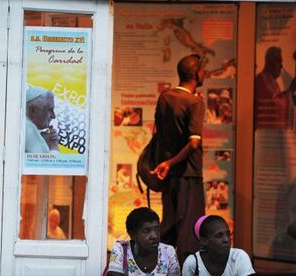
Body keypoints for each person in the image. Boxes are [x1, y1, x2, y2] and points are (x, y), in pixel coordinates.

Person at [150, 54, 206, 265]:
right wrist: (172, 163)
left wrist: (166, 163)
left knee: (169, 228)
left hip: (169, 177)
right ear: (197, 73)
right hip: (188, 174)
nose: (205, 73)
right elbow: (193, 143)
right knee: (190, 233)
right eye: (203, 69)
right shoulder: (195, 103)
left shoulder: (165, 97)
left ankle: (158, 268)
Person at [107, 207, 180, 275]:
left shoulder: (168, 251)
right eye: (147, 231)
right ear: (132, 234)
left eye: (157, 229)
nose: (154, 236)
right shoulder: (121, 250)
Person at [182, 215, 255, 276]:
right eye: (219, 235)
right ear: (204, 241)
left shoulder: (239, 257)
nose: (226, 239)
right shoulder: (193, 264)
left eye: (228, 234)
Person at [255, 46, 296, 129]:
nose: (281, 66)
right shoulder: (261, 79)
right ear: (271, 61)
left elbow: (281, 99)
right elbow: (275, 103)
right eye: (279, 61)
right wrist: (292, 89)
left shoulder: (273, 83)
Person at [25, 85, 59, 153]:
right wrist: (53, 146)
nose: (53, 116)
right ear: (33, 110)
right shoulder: (28, 128)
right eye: (49, 110)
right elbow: (50, 163)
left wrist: (42, 140)